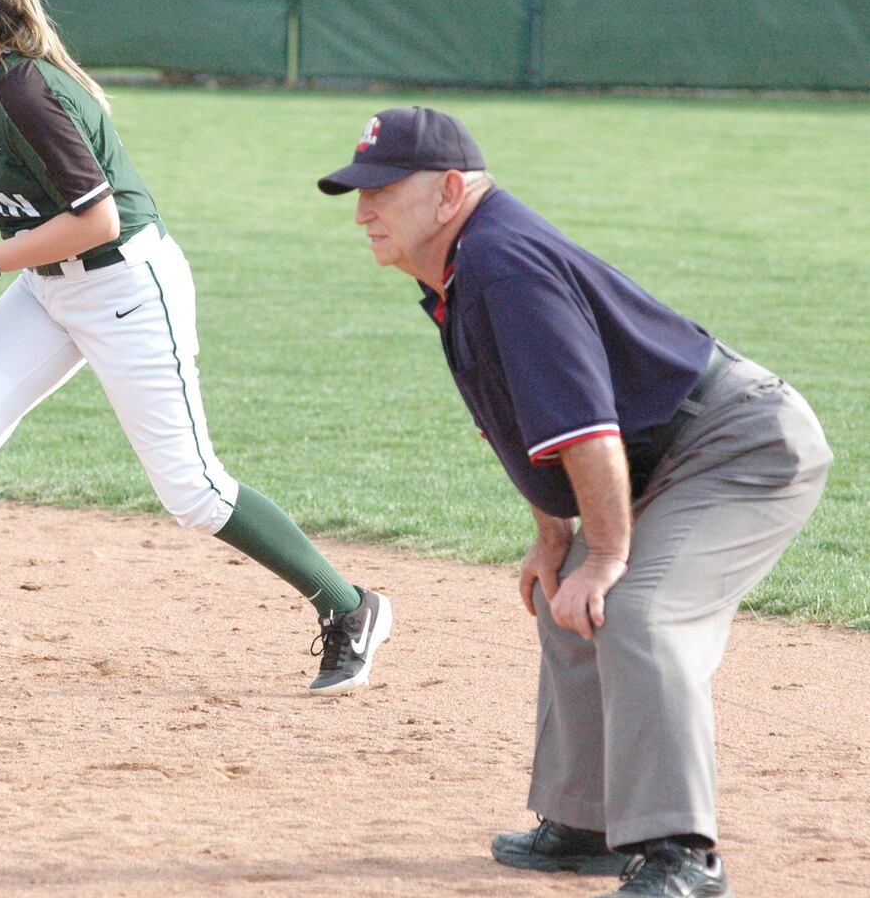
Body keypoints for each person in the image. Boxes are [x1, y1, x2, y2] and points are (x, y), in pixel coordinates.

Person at [0, 0, 391, 697]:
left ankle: (351, 607)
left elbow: (96, 223)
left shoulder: (30, 92)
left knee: (192, 490)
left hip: (126, 287)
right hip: (46, 287)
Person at [317, 107, 831, 897]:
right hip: (668, 450)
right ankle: (587, 824)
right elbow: (522, 424)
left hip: (739, 449)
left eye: (382, 191)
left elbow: (586, 430)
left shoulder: (501, 263)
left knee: (637, 609)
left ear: (450, 191)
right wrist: (555, 538)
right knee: (571, 597)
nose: (363, 211)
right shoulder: (464, 268)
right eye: (358, 193)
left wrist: (610, 554)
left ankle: (683, 855)